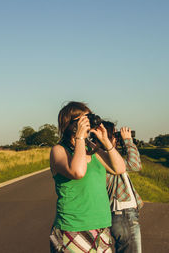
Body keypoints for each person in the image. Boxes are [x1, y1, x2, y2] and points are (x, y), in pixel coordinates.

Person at [49, 101, 126, 253]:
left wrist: (105, 140)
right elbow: (78, 172)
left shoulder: (92, 149)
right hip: (72, 227)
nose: (88, 123)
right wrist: (79, 138)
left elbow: (119, 168)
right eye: (83, 119)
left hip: (102, 225)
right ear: (69, 124)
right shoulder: (58, 150)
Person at [103, 120, 143, 253]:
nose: (117, 137)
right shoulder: (107, 158)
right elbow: (135, 164)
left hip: (119, 214)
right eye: (115, 134)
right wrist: (128, 141)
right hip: (124, 214)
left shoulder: (101, 156)